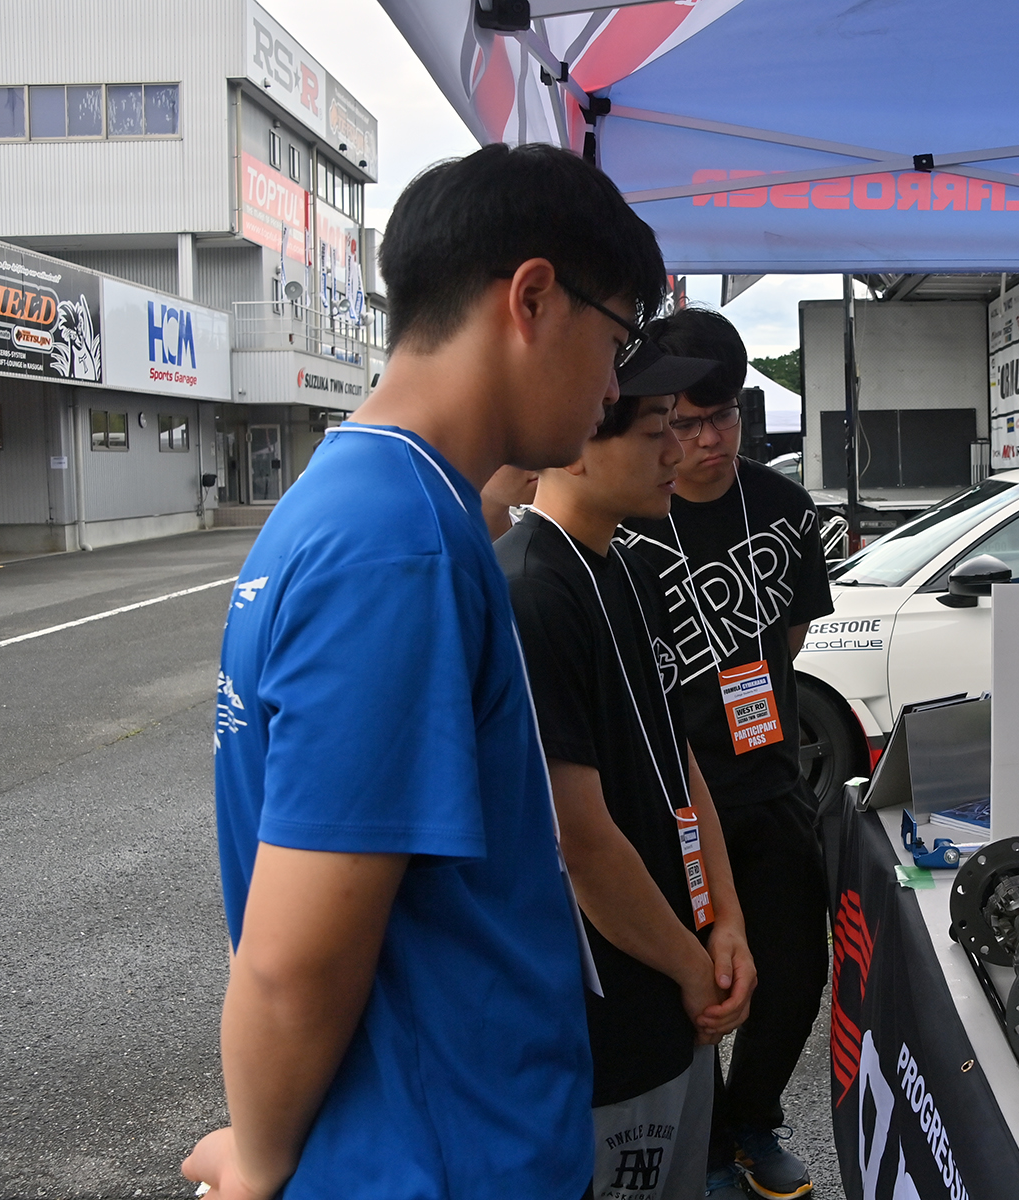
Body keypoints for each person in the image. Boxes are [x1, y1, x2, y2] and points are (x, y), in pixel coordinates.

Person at [186, 143, 666, 1200]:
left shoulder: (365, 499)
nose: (616, 386)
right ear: (534, 298)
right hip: (445, 1161)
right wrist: (258, 1160)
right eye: (619, 335)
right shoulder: (393, 542)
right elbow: (296, 958)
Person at [496, 354, 757, 1200]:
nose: (676, 454)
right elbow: (581, 838)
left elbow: (682, 763)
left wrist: (727, 926)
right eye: (654, 435)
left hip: (679, 985)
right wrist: (693, 968)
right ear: (576, 445)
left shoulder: (634, 569)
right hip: (607, 1015)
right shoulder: (531, 589)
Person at [617, 308, 835, 1200]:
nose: (705, 442)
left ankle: (751, 1121)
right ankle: (698, 1141)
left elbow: (785, 640)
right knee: (695, 982)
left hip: (769, 785)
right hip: (672, 801)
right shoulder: (630, 525)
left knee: (793, 973)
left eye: (723, 420)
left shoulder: (784, 509)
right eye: (686, 423)